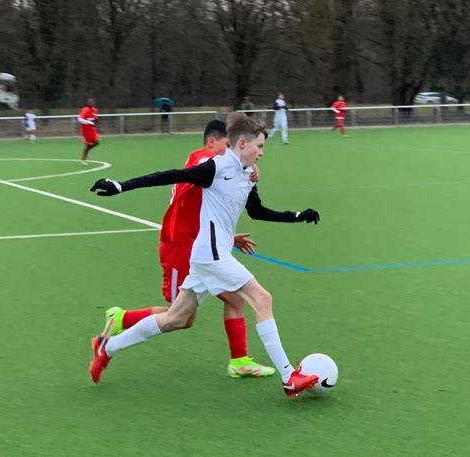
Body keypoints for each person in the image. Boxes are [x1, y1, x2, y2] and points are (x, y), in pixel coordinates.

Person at [88, 113, 322, 397]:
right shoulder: (215, 167)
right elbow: (171, 175)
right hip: (211, 255)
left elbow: (257, 211)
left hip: (206, 256)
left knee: (175, 318)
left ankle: (107, 348)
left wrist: (297, 215)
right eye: (259, 146)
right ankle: (289, 376)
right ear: (243, 144)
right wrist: (121, 185)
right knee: (262, 299)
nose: (262, 153)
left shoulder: (247, 175)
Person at [103, 120, 276, 379]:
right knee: (181, 318)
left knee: (233, 298)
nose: (231, 151)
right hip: (180, 247)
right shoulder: (204, 158)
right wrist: (249, 167)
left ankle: (239, 361)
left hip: (202, 244)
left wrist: (247, 170)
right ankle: (121, 320)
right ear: (211, 143)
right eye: (226, 145)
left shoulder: (218, 164)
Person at [77, 97, 100, 162]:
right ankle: (85, 155)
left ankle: (87, 150)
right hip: (86, 130)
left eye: (92, 102)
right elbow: (79, 119)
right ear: (87, 103)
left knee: (97, 142)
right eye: (90, 102)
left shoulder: (95, 110)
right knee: (88, 144)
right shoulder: (85, 109)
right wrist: (88, 122)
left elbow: (94, 118)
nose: (91, 103)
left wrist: (96, 120)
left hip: (92, 129)